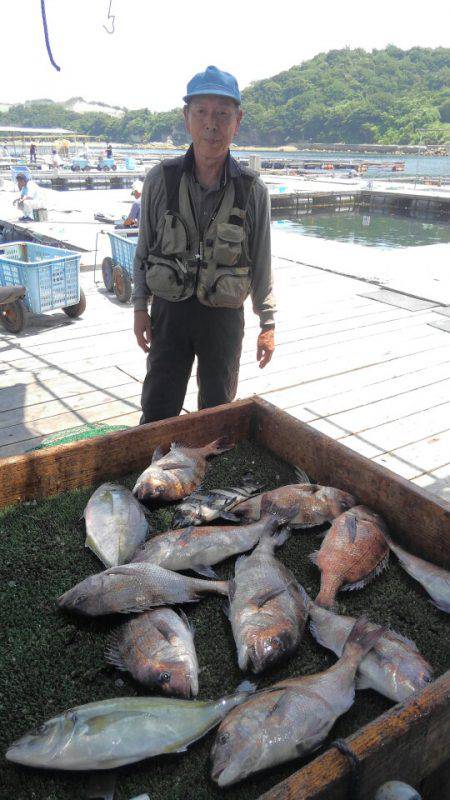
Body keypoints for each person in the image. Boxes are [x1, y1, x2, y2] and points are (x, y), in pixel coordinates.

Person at [133, 65, 275, 424]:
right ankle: (153, 476)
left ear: (237, 120)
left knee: (217, 410)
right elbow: (144, 248)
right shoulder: (159, 179)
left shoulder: (252, 190)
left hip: (223, 316)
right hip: (170, 310)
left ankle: (209, 477)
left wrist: (268, 322)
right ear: (187, 117)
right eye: (202, 113)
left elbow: (261, 262)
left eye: (222, 114)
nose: (211, 124)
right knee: (157, 406)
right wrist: (139, 306)